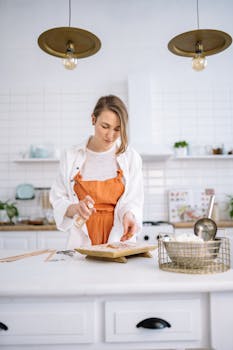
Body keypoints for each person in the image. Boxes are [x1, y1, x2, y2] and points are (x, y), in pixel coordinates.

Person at [50, 95, 144, 248]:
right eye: (105, 126)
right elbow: (58, 199)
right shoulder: (71, 156)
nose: (110, 135)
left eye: (117, 129)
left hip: (118, 240)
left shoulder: (131, 158)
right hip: (81, 241)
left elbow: (133, 200)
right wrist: (76, 208)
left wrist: (129, 215)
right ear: (93, 120)